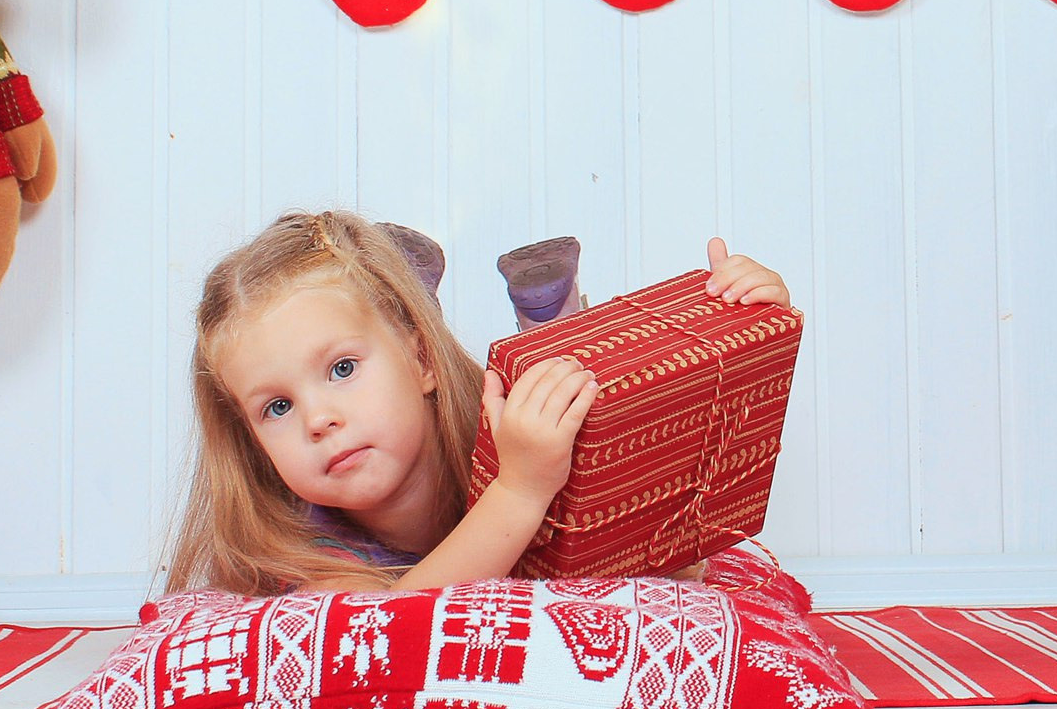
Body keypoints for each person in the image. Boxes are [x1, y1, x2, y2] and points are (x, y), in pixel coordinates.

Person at [164, 209, 789, 595]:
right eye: (276, 408)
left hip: (494, 408)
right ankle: (500, 310)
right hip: (504, 461)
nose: (318, 419)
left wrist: (740, 317)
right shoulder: (299, 551)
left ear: (422, 360)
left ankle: (549, 324)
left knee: (564, 412)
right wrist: (519, 490)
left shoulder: (494, 436)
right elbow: (394, 626)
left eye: (343, 369)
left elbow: (660, 546)